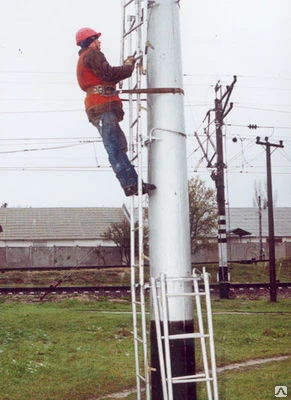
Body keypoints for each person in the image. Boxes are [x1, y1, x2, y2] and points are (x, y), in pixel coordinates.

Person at [75, 27, 156, 197]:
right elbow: (110, 74)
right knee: (115, 147)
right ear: (89, 42)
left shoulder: (84, 58)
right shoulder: (92, 54)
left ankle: (131, 182)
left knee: (117, 146)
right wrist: (128, 66)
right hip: (102, 105)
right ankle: (131, 184)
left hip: (98, 106)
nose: (99, 42)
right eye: (96, 39)